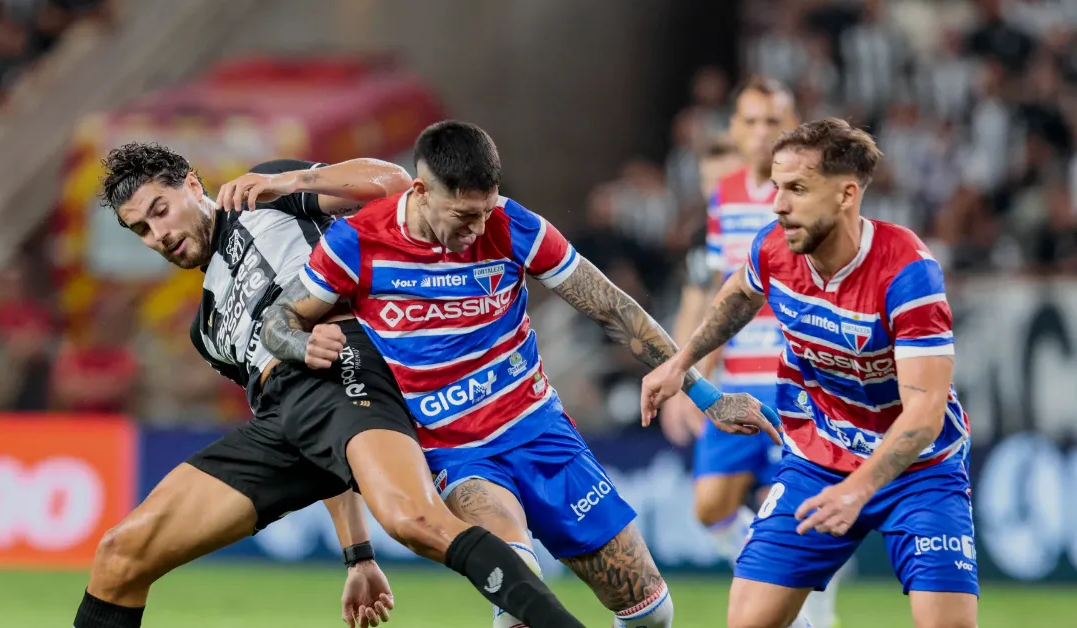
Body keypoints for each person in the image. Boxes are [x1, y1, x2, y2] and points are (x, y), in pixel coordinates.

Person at [257, 120, 781, 628]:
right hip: (455, 453)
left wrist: (708, 395)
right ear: (420, 190)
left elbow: (614, 310)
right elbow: (277, 322)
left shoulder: (512, 225)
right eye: (465, 216)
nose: (478, 228)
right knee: (519, 591)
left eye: (485, 211)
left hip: (541, 431)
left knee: (652, 612)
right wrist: (303, 345)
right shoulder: (357, 241)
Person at [73, 143, 586, 628]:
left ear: (191, 184)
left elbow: (394, 184)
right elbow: (324, 447)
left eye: (160, 210)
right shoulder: (205, 328)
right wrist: (357, 556)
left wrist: (289, 179)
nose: (156, 234)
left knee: (415, 521)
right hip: (286, 418)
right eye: (139, 229)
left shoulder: (267, 196)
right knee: (121, 554)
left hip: (344, 364)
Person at [641, 118, 977, 628]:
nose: (777, 204)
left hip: (920, 471)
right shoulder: (775, 247)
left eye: (796, 188)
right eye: (776, 187)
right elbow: (737, 296)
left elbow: (925, 413)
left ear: (846, 194)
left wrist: (859, 488)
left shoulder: (907, 271)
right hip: (818, 458)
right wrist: (681, 363)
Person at [661, 77, 841, 628]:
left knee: (805, 508)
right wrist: (692, 380)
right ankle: (796, 592)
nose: (762, 133)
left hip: (796, 381)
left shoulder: (809, 192)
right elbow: (722, 294)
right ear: (734, 129)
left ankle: (806, 604)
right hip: (738, 381)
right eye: (752, 121)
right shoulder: (725, 195)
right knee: (710, 505)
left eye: (774, 122)